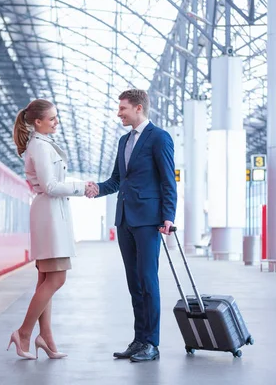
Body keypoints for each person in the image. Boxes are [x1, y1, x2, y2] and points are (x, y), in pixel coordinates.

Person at [8, 99, 98, 360]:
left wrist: (80, 187)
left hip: (49, 213)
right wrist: (82, 187)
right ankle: (24, 333)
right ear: (38, 122)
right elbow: (50, 185)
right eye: (53, 118)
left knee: (46, 280)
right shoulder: (40, 147)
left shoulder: (40, 145)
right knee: (57, 279)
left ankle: (45, 338)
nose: (56, 122)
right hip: (49, 216)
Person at [92, 89, 177, 362]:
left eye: (122, 108)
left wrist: (168, 216)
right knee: (134, 283)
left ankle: (151, 343)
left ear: (138, 108)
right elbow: (117, 179)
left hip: (149, 220)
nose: (119, 113)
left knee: (148, 281)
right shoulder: (123, 141)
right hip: (125, 219)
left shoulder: (159, 138)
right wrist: (96, 189)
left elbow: (168, 180)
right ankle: (139, 340)